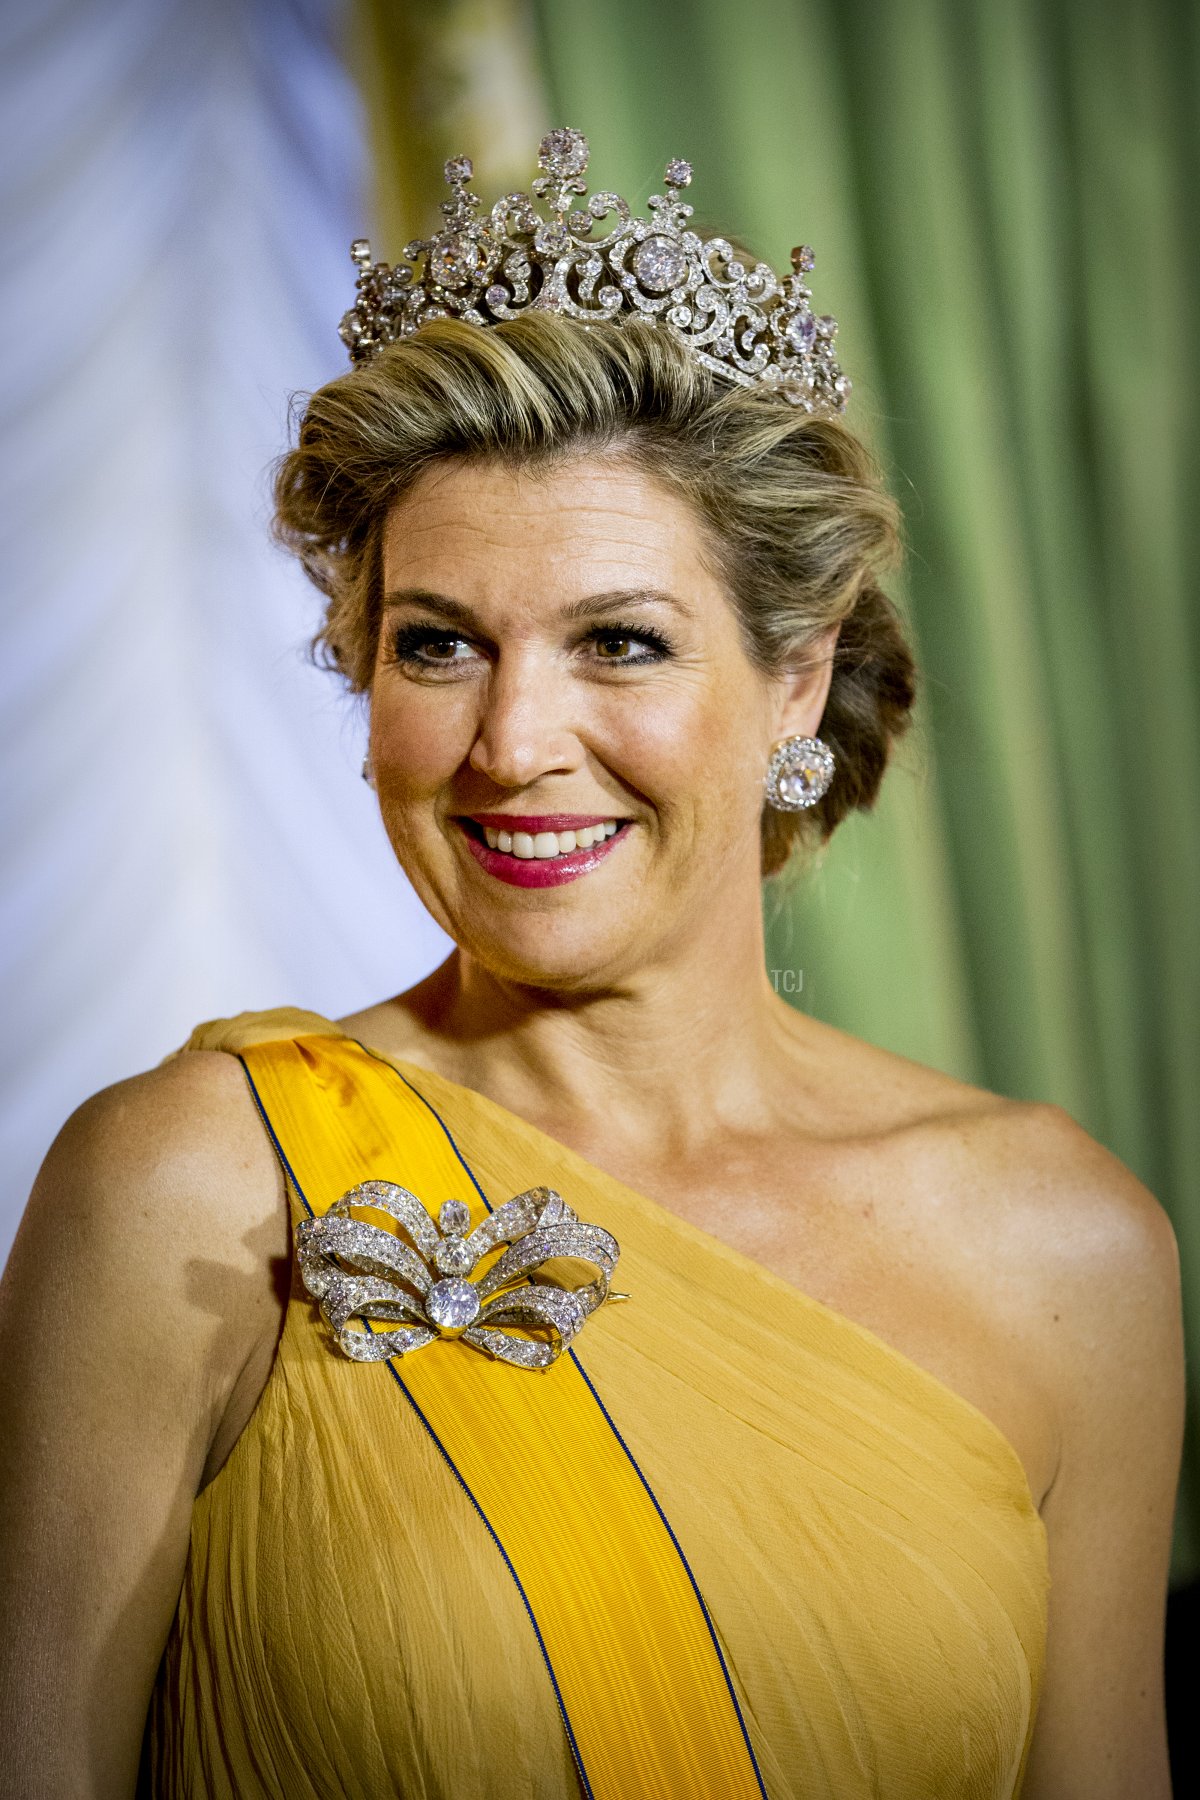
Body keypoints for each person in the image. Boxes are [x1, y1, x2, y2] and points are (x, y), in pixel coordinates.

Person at [0, 130, 1183, 1800]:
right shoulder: (184, 1182)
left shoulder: (1069, 1250)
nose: (510, 742)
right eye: (438, 647)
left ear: (794, 681)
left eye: (618, 641)